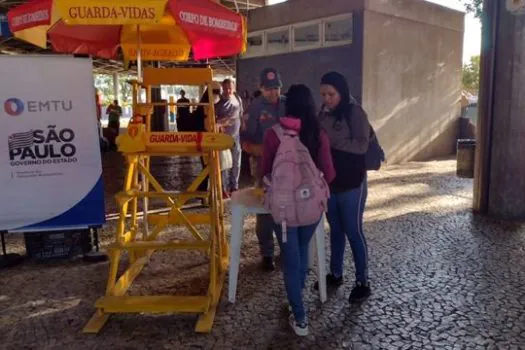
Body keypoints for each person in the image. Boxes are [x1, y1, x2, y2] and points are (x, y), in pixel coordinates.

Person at [261, 84, 335, 336]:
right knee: (302, 252)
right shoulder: (318, 133)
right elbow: (330, 173)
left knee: (291, 261)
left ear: (287, 104)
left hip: (283, 213)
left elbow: (263, 172)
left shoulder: (274, 134)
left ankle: (300, 315)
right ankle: (297, 304)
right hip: (311, 210)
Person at [318, 71, 372, 303]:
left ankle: (363, 281)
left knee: (353, 230)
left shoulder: (355, 112)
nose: (327, 99)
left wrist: (334, 143)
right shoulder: (324, 114)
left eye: (331, 94)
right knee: (336, 230)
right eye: (323, 94)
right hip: (331, 183)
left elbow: (362, 146)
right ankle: (335, 273)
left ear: (342, 92)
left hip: (353, 183)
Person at [241, 68, 287, 271]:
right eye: (268, 89)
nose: (273, 93)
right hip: (262, 166)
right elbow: (245, 140)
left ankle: (286, 249)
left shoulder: (287, 104)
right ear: (260, 88)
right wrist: (255, 148)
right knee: (265, 210)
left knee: (285, 207)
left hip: (287, 166)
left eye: (276, 88)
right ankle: (267, 253)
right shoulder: (254, 108)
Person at [216, 79, 243, 197]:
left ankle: (234, 186)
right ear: (222, 88)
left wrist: (242, 125)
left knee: (236, 163)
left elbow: (240, 115)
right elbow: (215, 121)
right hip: (223, 139)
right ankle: (224, 188)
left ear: (233, 88)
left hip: (236, 136)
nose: (228, 91)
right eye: (225, 88)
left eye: (230, 88)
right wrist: (221, 123)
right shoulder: (217, 103)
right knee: (225, 164)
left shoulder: (238, 100)